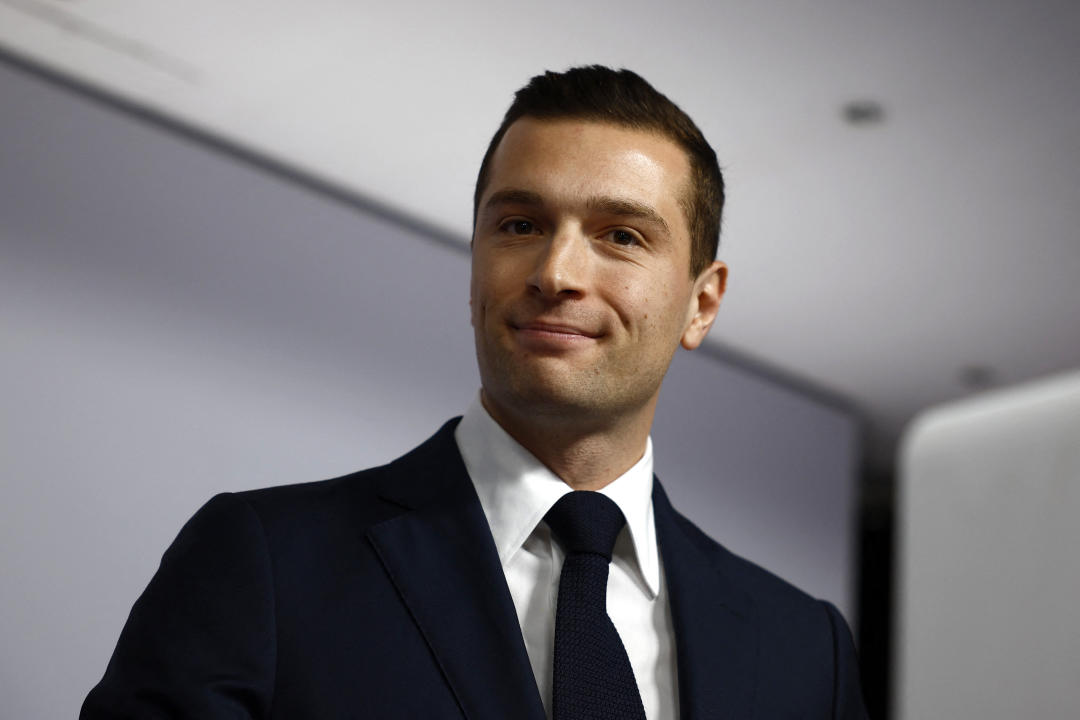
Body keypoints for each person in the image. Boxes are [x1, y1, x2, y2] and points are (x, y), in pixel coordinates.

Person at [82, 66, 868, 719]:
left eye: (620, 235)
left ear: (702, 302)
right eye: (520, 225)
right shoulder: (266, 564)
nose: (555, 273)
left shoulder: (806, 650)